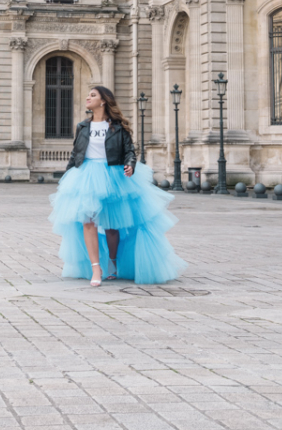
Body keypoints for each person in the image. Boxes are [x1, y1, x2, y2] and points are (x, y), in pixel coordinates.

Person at [49, 85, 184, 287]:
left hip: (113, 175)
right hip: (86, 175)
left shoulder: (118, 127)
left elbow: (130, 151)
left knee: (112, 225)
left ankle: (112, 261)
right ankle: (96, 267)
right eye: (88, 95)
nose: (88, 97)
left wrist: (130, 165)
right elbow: (75, 153)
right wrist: (68, 177)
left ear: (103, 101)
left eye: (92, 95)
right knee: (88, 221)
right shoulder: (82, 126)